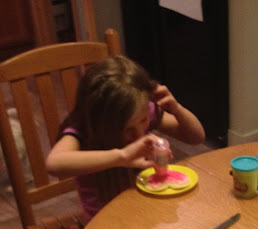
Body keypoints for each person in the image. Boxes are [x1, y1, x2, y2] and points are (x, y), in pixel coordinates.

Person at [46, 55, 205, 220]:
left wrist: (177, 109)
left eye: (143, 121)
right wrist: (122, 156)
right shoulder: (84, 130)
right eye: (127, 129)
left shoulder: (142, 111)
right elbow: (53, 164)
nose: (138, 134)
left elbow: (196, 137)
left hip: (145, 208)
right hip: (105, 221)